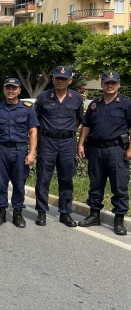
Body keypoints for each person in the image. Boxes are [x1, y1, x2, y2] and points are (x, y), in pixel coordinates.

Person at [77, 71, 131, 235]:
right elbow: (86, 126)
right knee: (95, 184)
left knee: (119, 186)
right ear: (101, 84)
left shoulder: (126, 104)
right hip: (95, 149)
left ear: (118, 85)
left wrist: (130, 149)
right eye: (107, 82)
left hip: (116, 150)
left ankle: (119, 220)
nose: (109, 85)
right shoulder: (95, 104)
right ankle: (94, 215)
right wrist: (80, 145)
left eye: (113, 83)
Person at [34, 66, 84, 227]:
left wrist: (66, 133)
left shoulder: (76, 98)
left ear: (70, 80)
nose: (60, 81)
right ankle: (41, 212)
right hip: (47, 141)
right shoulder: (43, 97)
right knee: (43, 178)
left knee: (66, 178)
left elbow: (78, 120)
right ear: (53, 79)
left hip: (67, 143)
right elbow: (36, 122)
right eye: (57, 78)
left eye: (64, 78)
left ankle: (65, 213)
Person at [0, 78, 38, 227]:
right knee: (1, 183)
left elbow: (33, 131)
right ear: (4, 90)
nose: (11, 91)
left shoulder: (27, 109)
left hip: (20, 150)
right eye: (8, 88)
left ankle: (17, 213)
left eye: (14, 88)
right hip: (0, 150)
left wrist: (32, 153)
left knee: (19, 183)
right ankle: (0, 212)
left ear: (19, 91)